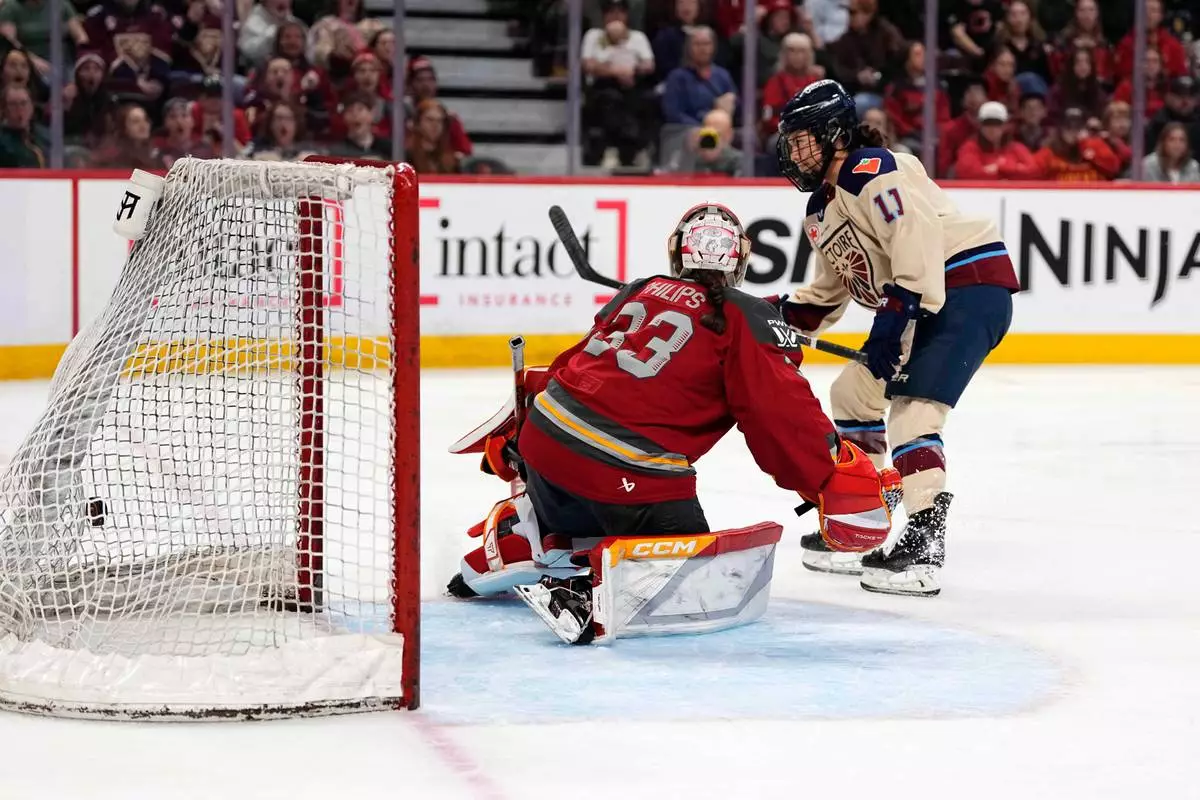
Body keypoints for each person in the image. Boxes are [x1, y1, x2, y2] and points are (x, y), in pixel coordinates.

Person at [447, 202, 899, 643]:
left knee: (586, 487)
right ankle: (585, 592)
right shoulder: (746, 317)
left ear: (676, 252)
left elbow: (574, 366)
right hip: (622, 468)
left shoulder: (642, 289)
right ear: (740, 260)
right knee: (693, 580)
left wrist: (523, 434)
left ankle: (530, 530)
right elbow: (781, 416)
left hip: (544, 442)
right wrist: (827, 478)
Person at [774, 79, 1020, 596]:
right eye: (789, 144)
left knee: (913, 412)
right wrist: (767, 315)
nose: (793, 154)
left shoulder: (874, 169)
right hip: (919, 302)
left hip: (968, 287)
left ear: (834, 134)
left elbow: (916, 237)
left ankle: (925, 541)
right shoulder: (821, 210)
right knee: (853, 392)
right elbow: (828, 294)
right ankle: (866, 513)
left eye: (802, 141)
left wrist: (897, 311)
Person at [580, 0, 655, 167]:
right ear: (604, 15)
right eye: (611, 11)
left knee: (647, 101)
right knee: (611, 100)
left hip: (632, 83)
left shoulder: (638, 37)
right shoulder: (594, 36)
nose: (616, 15)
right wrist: (616, 71)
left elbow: (649, 64)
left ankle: (635, 150)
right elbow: (588, 65)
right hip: (602, 85)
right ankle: (616, 149)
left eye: (620, 11)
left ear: (627, 15)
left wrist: (632, 70)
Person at [826, 0, 904, 107]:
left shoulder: (887, 34)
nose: (849, 17)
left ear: (868, 14)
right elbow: (839, 69)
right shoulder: (846, 39)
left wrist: (878, 75)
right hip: (854, 91)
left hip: (885, 93)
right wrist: (857, 76)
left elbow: (897, 61)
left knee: (859, 104)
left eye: (853, 13)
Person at [882, 41, 950, 154]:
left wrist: (938, 133)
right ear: (906, 59)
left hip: (935, 137)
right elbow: (894, 118)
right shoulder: (896, 88)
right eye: (917, 54)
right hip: (909, 138)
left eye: (924, 53)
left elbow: (944, 116)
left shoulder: (938, 86)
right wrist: (913, 133)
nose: (924, 58)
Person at [661, 25, 736, 127]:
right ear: (689, 48)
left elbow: (738, 108)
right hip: (688, 129)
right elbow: (673, 113)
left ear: (713, 47)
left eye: (706, 44)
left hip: (721, 127)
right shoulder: (677, 77)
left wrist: (731, 103)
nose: (702, 48)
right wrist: (703, 126)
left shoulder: (722, 75)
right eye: (697, 44)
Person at [760, 32, 824, 142]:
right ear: (784, 54)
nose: (796, 56)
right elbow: (768, 116)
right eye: (792, 51)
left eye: (801, 51)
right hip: (783, 134)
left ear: (808, 55)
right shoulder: (776, 81)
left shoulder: (815, 81)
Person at [1031, 106, 1121, 182]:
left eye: (1077, 127)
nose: (1073, 132)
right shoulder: (1049, 152)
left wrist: (1087, 145)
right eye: (1068, 127)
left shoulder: (1095, 146)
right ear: (1060, 129)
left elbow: (1114, 168)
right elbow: (1031, 174)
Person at [952, 100, 1038, 179]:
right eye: (987, 124)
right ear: (980, 126)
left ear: (1005, 126)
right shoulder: (969, 148)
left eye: (997, 124)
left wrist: (1002, 167)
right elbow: (966, 173)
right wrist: (1014, 169)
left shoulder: (1017, 148)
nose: (992, 129)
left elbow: (1033, 171)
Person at [93, 102, 164, 168]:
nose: (143, 125)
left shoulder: (157, 153)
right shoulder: (111, 156)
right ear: (124, 127)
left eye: (145, 120)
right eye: (135, 121)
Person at [1047, 46, 1107, 123]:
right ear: (1071, 66)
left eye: (1087, 62)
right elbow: (1052, 116)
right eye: (1078, 62)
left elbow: (1102, 115)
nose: (1083, 66)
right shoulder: (1058, 90)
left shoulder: (1098, 91)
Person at [242, 99, 316, 161]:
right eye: (279, 118)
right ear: (270, 123)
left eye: (288, 118)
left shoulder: (308, 151)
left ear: (296, 124)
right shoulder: (256, 148)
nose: (283, 123)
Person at [1144, 76, 1199, 155]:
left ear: (1196, 100)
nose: (1185, 102)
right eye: (1180, 96)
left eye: (1190, 97)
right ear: (1169, 97)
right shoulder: (1158, 123)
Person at [327, 90, 389, 158]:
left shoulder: (388, 148)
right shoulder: (337, 153)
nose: (355, 114)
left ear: (371, 113)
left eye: (360, 109)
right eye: (350, 110)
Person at [0, 83, 47, 166]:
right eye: (13, 104)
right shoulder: (3, 143)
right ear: (4, 109)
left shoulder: (42, 138)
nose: (19, 109)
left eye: (23, 103)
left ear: (31, 107)